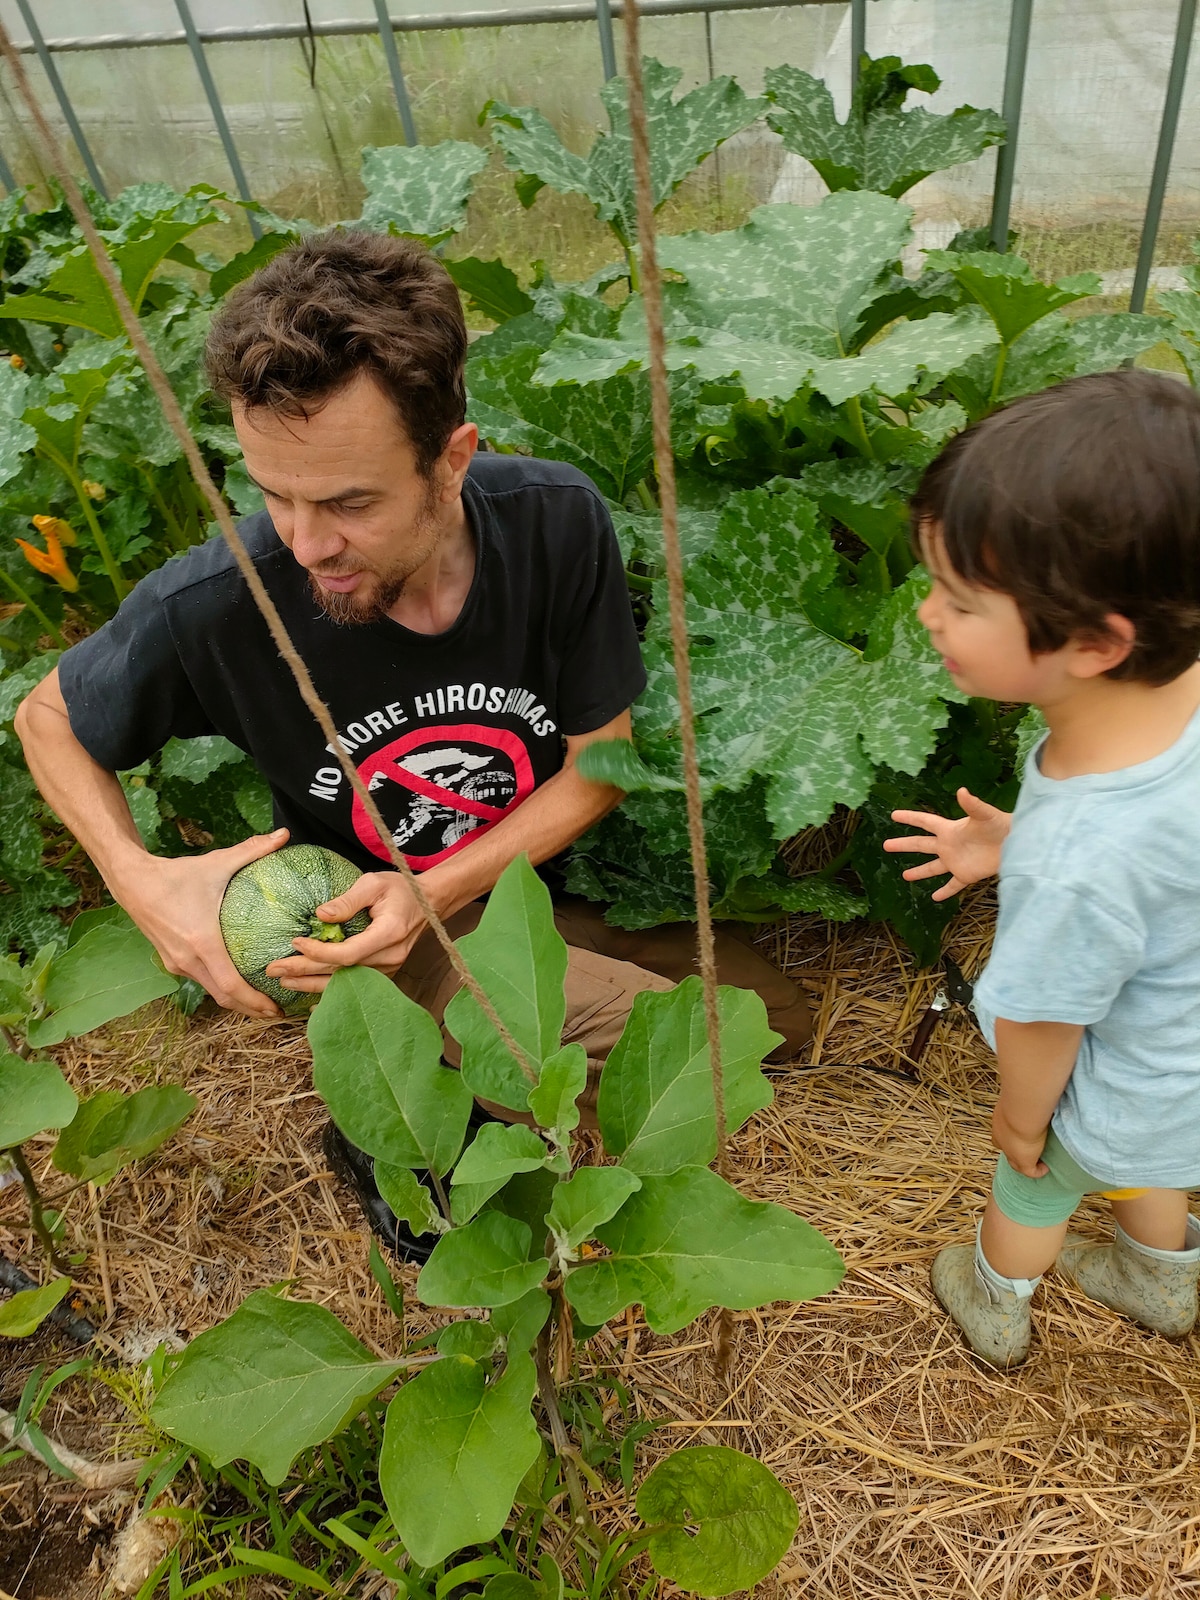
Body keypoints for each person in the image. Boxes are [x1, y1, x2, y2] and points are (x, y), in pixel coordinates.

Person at [15, 229, 811, 1251]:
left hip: (492, 891)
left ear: (452, 459)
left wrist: (434, 890)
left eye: (349, 502)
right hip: (360, 935)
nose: (305, 544)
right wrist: (137, 876)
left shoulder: (556, 525)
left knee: (774, 1018)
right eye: (274, 493)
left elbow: (602, 757)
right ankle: (393, 1114)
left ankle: (447, 1070)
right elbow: (45, 714)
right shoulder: (224, 599)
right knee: (703, 1066)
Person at [884, 369, 1200, 1368]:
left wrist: (1020, 1118)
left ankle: (995, 1294)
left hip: (1106, 1091)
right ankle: (1163, 1279)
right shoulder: (1178, 705)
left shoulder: (1076, 863)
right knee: (1159, 1161)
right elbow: (1158, 864)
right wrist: (1013, 837)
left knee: (1036, 1183)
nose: (930, 616)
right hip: (1184, 1067)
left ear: (1098, 643)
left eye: (961, 600)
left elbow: (1039, 1018)